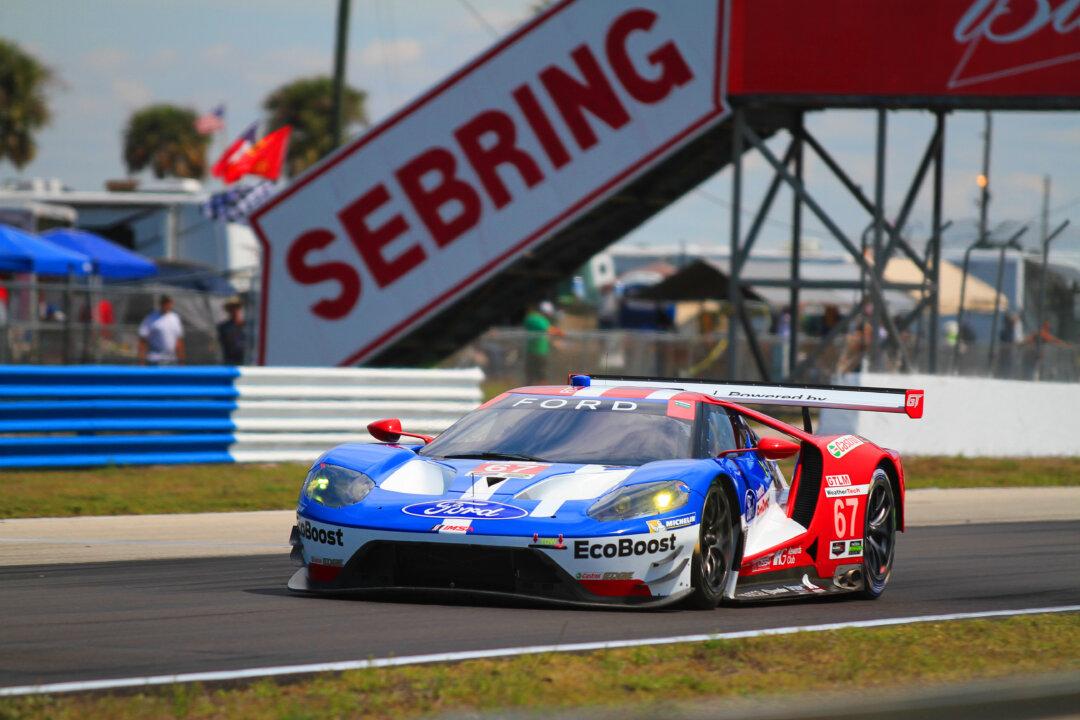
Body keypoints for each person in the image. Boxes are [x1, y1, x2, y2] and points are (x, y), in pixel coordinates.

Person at [138, 295, 184, 365]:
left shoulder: (175, 318)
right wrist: (141, 362)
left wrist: (181, 361)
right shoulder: (151, 317)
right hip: (155, 359)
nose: (166, 305)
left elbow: (179, 340)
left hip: (171, 359)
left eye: (168, 302)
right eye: (164, 302)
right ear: (160, 303)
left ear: (171, 303)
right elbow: (143, 339)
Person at [523, 300, 561, 384]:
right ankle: (542, 392)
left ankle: (528, 390)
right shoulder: (538, 319)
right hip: (540, 351)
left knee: (530, 374)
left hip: (530, 350)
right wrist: (561, 333)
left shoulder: (530, 318)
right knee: (541, 374)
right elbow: (550, 330)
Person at [217, 297, 246, 365]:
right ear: (229, 310)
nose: (235, 310)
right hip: (231, 362)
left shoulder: (246, 326)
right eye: (232, 308)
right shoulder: (224, 327)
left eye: (237, 307)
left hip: (246, 361)